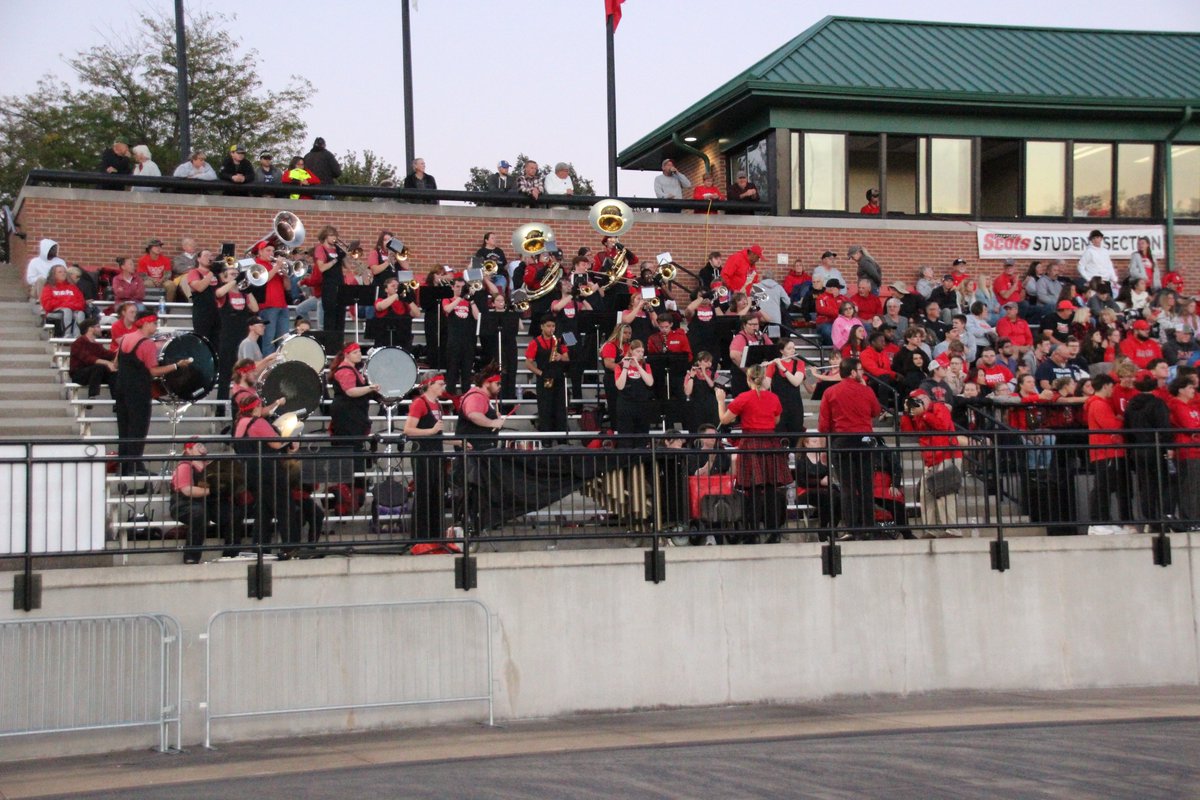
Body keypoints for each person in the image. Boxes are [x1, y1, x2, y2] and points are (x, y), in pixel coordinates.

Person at [719, 363, 789, 543]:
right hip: (771, 443)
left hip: (751, 443)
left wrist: (720, 401)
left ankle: (752, 533)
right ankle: (774, 533)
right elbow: (776, 419)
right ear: (763, 377)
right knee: (772, 489)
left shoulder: (744, 397)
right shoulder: (773, 397)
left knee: (753, 490)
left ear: (748, 378)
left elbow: (724, 419)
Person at [116, 313, 191, 475]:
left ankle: (124, 467)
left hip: (122, 388)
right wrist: (176, 366)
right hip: (138, 391)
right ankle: (135, 467)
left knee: (124, 429)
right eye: (153, 323)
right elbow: (154, 371)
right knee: (138, 429)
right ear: (146, 323)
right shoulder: (146, 343)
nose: (155, 327)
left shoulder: (125, 339)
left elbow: (116, 363)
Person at [817, 357, 882, 538]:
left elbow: (824, 425)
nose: (862, 373)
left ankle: (851, 527)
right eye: (860, 370)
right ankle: (869, 526)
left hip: (842, 442)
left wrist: (824, 448)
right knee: (866, 486)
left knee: (847, 487)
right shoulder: (866, 390)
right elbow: (876, 412)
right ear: (853, 372)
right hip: (864, 441)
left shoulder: (830, 392)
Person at [231, 393, 301, 556]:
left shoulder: (239, 423)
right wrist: (291, 438)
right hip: (268, 470)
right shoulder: (257, 422)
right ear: (256, 408)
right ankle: (291, 546)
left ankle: (260, 546)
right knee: (284, 507)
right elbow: (276, 443)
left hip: (251, 471)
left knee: (264, 510)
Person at [901, 389, 963, 538]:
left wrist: (924, 413)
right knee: (925, 494)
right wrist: (906, 413)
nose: (915, 404)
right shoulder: (917, 415)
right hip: (931, 458)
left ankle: (952, 529)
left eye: (917, 400)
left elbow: (942, 425)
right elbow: (908, 431)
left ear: (925, 398)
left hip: (948, 454)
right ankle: (932, 528)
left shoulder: (938, 407)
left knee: (945, 493)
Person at [1083, 374, 1133, 534]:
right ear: (1105, 386)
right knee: (1102, 487)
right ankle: (1098, 522)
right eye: (1111, 386)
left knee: (1108, 486)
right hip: (1105, 451)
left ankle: (1104, 520)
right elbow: (1110, 425)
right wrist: (1120, 419)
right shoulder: (1098, 404)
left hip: (1108, 451)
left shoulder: (1100, 403)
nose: (1113, 390)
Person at [403, 373, 449, 543]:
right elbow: (408, 429)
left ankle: (435, 535)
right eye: (440, 384)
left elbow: (439, 433)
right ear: (430, 384)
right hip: (423, 455)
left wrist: (459, 442)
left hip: (436, 454)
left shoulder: (437, 404)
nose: (444, 387)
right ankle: (420, 537)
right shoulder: (419, 403)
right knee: (424, 494)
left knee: (437, 494)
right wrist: (430, 431)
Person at [328, 342, 379, 478]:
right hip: (347, 415)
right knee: (349, 445)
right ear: (347, 354)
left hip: (354, 414)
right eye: (355, 352)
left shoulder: (353, 369)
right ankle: (349, 480)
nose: (359, 355)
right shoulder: (345, 370)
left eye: (359, 352)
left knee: (354, 445)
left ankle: (354, 480)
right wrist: (370, 388)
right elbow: (350, 391)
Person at [215, 262, 260, 403]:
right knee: (225, 375)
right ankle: (220, 410)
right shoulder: (223, 292)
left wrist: (248, 287)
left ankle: (244, 404)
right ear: (224, 277)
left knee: (244, 372)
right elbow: (219, 293)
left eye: (237, 273)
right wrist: (236, 279)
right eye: (232, 274)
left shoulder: (243, 294)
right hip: (227, 338)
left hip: (242, 338)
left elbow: (255, 308)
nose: (236, 276)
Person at [171, 439, 217, 564]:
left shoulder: (209, 465)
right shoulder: (185, 466)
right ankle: (191, 555)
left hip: (205, 503)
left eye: (203, 445)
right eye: (198, 446)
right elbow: (186, 490)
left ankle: (231, 551)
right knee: (198, 514)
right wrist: (212, 491)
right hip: (183, 504)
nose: (202, 448)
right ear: (188, 450)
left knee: (232, 511)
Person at [525, 316, 570, 432]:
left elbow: (567, 357)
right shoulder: (535, 343)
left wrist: (560, 357)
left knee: (560, 406)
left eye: (553, 326)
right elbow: (528, 363)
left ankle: (561, 436)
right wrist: (540, 373)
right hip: (545, 376)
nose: (551, 329)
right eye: (548, 326)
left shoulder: (559, 341)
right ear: (542, 327)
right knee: (545, 407)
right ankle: (546, 437)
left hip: (558, 376)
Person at [251, 240, 293, 354]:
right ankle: (267, 368)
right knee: (268, 341)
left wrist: (285, 276)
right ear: (260, 251)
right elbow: (262, 279)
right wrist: (276, 267)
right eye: (268, 250)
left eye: (273, 251)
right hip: (268, 306)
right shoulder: (256, 264)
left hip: (282, 305)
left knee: (284, 339)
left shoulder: (273, 265)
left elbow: (287, 287)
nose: (271, 253)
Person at [442, 275, 480, 396]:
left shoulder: (469, 302)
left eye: (462, 287)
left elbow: (477, 316)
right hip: (454, 341)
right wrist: (459, 298)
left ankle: (466, 400)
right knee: (452, 372)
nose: (460, 289)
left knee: (467, 374)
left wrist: (471, 300)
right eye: (457, 287)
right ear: (452, 287)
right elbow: (447, 309)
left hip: (468, 341)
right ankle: (450, 400)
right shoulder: (448, 299)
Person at [613, 340, 655, 445]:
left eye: (642, 351)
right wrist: (626, 367)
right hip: (626, 405)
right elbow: (620, 385)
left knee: (642, 437)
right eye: (638, 351)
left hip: (642, 405)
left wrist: (637, 365)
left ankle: (639, 460)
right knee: (625, 437)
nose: (640, 354)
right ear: (631, 351)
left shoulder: (646, 366)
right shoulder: (620, 366)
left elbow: (650, 382)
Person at [764, 339, 806, 444]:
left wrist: (782, 367)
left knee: (795, 434)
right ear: (782, 351)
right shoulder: (773, 365)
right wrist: (764, 370)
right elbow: (766, 386)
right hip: (778, 406)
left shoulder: (799, 363)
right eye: (789, 348)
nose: (792, 350)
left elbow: (796, 382)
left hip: (795, 405)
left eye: (793, 348)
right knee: (779, 435)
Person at [313, 225, 347, 337]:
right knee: (330, 317)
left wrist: (344, 255)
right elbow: (322, 268)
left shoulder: (337, 248)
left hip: (340, 284)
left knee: (340, 317)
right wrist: (336, 259)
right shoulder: (320, 248)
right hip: (329, 286)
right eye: (331, 235)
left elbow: (345, 267)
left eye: (335, 235)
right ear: (325, 236)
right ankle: (330, 345)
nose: (334, 238)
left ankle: (339, 344)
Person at [69, 319, 115, 401]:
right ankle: (92, 395)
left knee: (114, 374)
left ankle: (117, 401)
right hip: (79, 374)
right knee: (99, 367)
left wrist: (121, 350)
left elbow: (109, 355)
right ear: (90, 328)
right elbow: (88, 358)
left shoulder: (97, 345)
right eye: (98, 327)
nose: (100, 329)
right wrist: (107, 362)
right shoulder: (78, 343)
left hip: (95, 374)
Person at [373, 276, 421, 350]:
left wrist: (409, 300)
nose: (396, 288)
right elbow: (380, 307)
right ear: (386, 289)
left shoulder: (405, 303)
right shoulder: (380, 300)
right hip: (384, 341)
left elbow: (417, 314)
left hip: (403, 342)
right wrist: (396, 294)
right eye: (393, 286)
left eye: (398, 286)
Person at [41, 264, 86, 337]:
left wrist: (65, 304)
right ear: (54, 274)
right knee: (67, 311)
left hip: (72, 311)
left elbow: (81, 303)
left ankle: (78, 336)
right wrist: (68, 305)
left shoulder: (73, 287)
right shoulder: (48, 288)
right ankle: (67, 335)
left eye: (65, 272)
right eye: (60, 272)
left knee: (80, 313)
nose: (63, 273)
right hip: (54, 313)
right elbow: (47, 305)